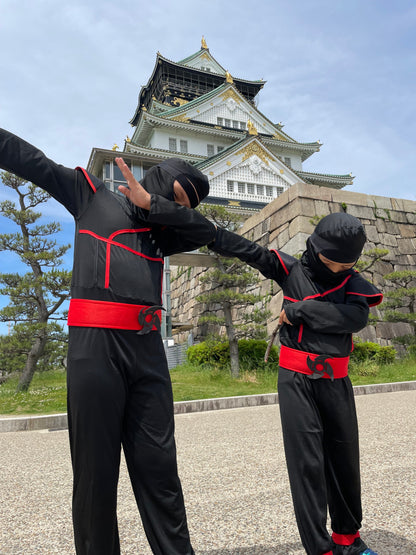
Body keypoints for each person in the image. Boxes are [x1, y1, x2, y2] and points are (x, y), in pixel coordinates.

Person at [0, 128, 216, 555]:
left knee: (160, 469)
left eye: (185, 204)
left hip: (149, 353)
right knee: (96, 475)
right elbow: (30, 158)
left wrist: (153, 206)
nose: (179, 207)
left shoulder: (164, 230)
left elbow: (203, 231)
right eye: (174, 194)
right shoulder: (91, 195)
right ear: (161, 174)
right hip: (95, 350)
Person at [208, 212, 382, 555]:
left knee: (344, 459)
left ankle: (348, 539)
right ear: (315, 247)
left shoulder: (353, 281)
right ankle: (320, 548)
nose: (336, 270)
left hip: (337, 380)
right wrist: (202, 229)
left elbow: (356, 318)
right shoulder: (290, 270)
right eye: (330, 261)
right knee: (308, 464)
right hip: (297, 379)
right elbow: (248, 250)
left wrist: (300, 311)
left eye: (344, 264)